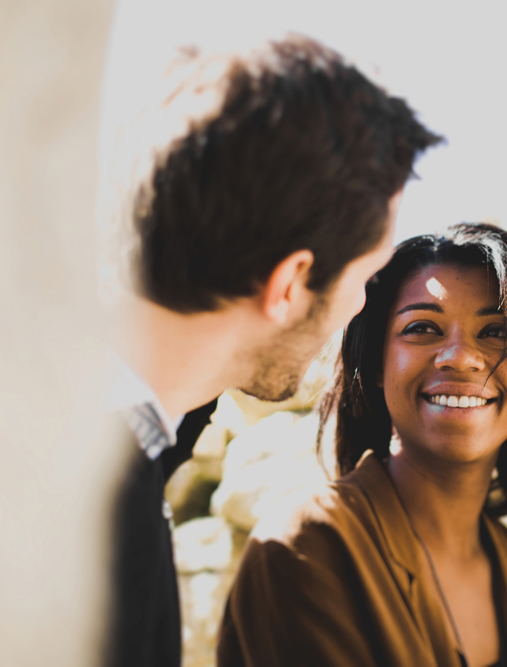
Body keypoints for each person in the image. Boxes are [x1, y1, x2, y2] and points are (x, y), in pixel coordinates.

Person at [105, 34, 441, 667]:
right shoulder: (81, 516)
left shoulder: (119, 445)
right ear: (289, 285)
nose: (363, 311)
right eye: (365, 282)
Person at [217, 223, 507, 667]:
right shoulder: (306, 548)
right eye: (423, 327)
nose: (459, 356)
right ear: (378, 365)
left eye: (497, 331)